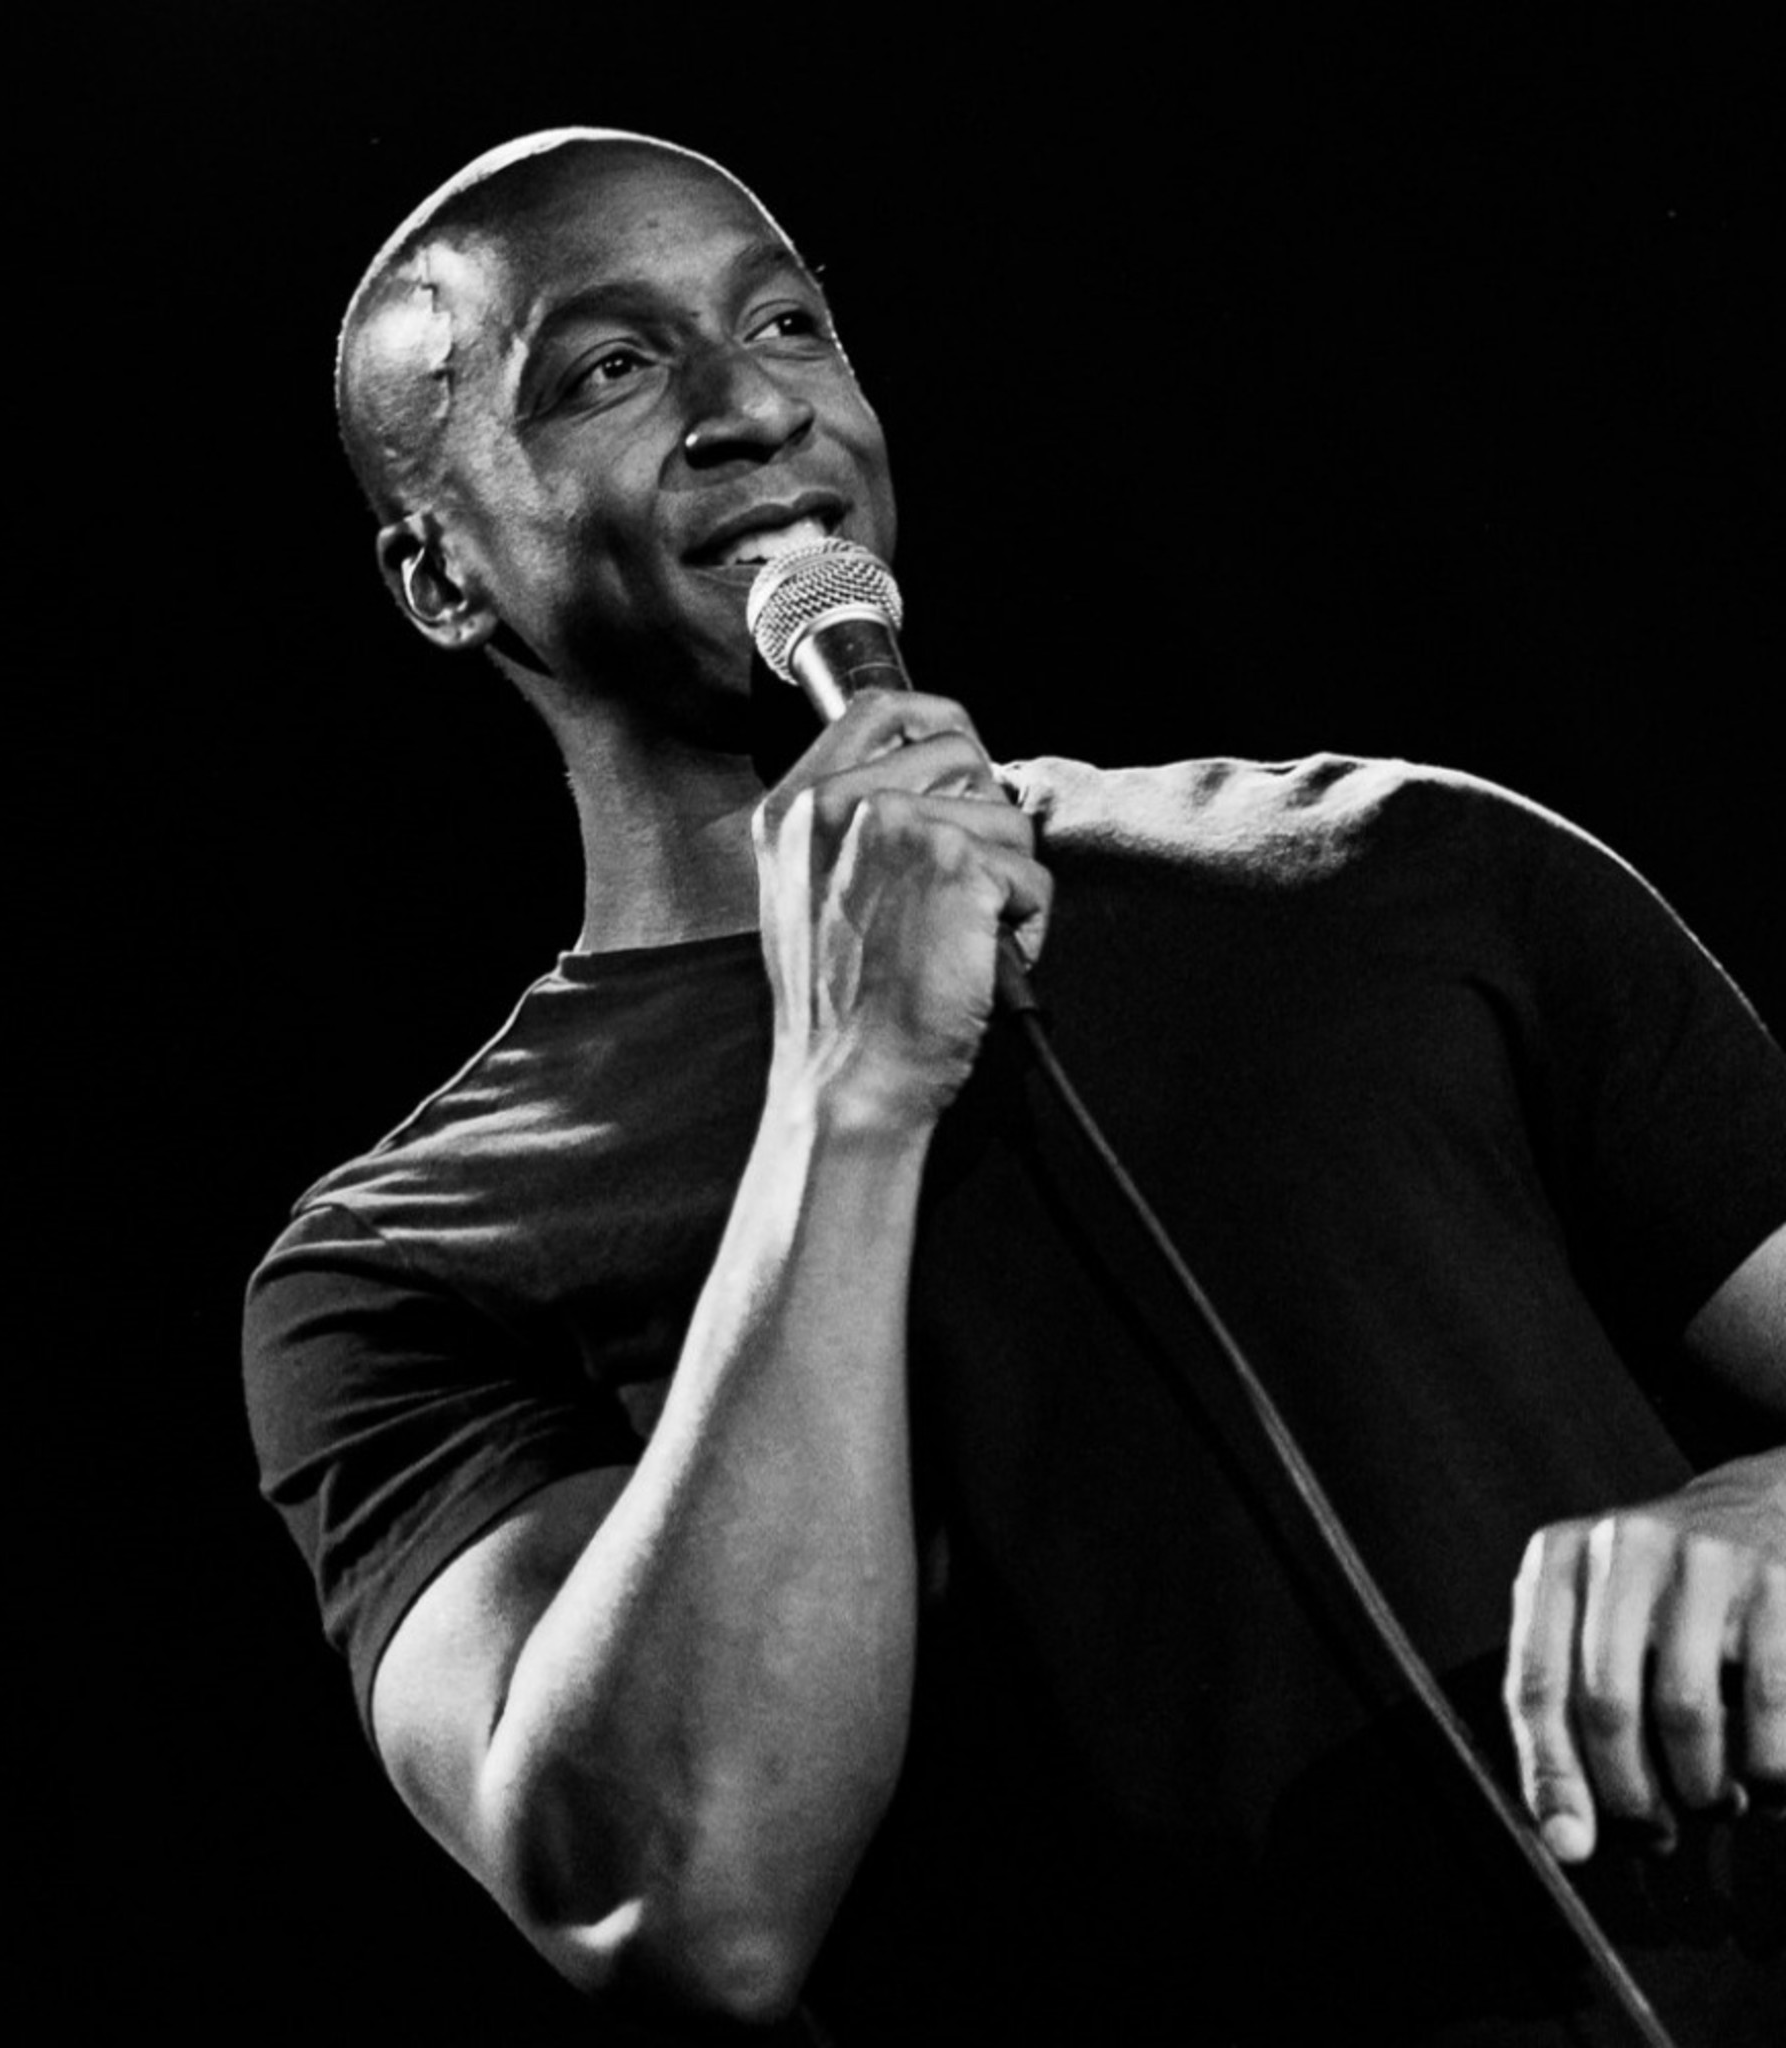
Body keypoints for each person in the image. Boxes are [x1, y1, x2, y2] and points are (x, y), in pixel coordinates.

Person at [243, 128, 1786, 2044]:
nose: (754, 406)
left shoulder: (1386, 864)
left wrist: (1770, 1518)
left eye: (788, 325)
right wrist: (846, 1088)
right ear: (440, 574)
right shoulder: (405, 1260)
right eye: (610, 369)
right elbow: (684, 1899)